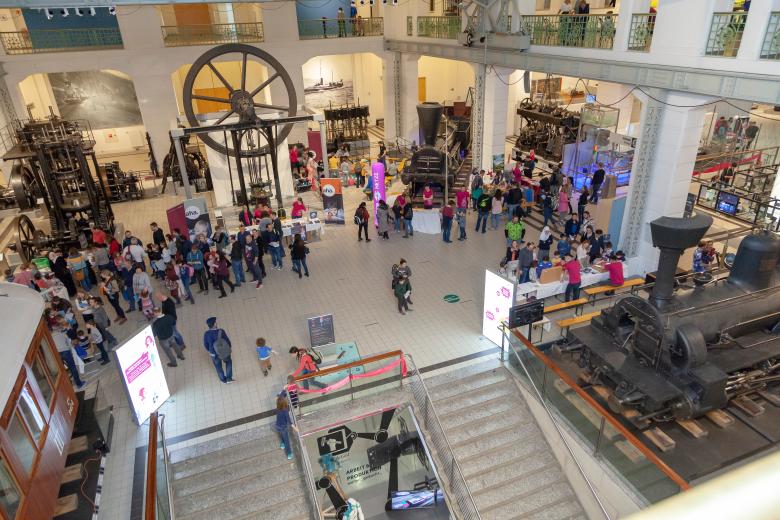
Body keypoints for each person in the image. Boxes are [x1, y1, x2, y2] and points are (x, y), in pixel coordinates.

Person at [52, 321, 84, 389]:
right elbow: (69, 345)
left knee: (63, 370)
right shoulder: (63, 334)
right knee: (72, 367)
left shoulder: (51, 336)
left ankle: (69, 386)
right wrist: (71, 352)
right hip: (66, 351)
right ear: (59, 328)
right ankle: (79, 384)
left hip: (57, 353)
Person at [204, 317, 234, 384]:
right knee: (228, 362)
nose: (216, 323)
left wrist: (210, 351)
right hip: (223, 351)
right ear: (214, 324)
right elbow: (227, 341)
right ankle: (229, 378)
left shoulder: (206, 334)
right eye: (215, 322)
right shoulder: (221, 331)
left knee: (218, 367)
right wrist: (229, 347)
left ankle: (223, 380)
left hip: (213, 354)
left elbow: (205, 344)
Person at [275, 396, 295, 460]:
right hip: (283, 427)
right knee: (287, 440)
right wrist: (295, 428)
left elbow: (279, 397)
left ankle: (282, 444)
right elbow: (289, 421)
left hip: (277, 425)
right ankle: (289, 454)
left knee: (281, 434)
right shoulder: (285, 411)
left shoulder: (278, 408)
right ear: (284, 403)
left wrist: (284, 389)